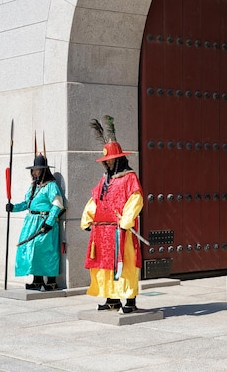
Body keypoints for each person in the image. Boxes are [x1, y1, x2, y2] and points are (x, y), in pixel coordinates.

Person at [81, 116, 143, 313]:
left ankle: (130, 302)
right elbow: (95, 200)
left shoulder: (129, 178)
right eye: (105, 161)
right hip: (102, 232)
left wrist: (126, 220)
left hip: (120, 231)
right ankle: (111, 299)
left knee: (124, 265)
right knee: (104, 265)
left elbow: (136, 198)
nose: (107, 165)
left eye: (110, 161)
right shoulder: (104, 180)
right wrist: (88, 219)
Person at [6, 153, 64, 291]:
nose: (35, 172)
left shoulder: (51, 186)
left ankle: (50, 280)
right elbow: (27, 203)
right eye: (33, 170)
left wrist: (49, 222)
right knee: (29, 249)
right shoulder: (34, 186)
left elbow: (57, 204)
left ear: (44, 170)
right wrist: (13, 208)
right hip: (30, 223)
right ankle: (37, 279)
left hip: (44, 221)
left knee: (43, 249)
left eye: (37, 169)